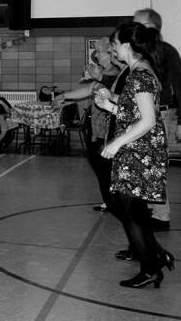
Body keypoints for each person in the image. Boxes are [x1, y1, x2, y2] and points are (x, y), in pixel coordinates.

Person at [95, 22, 173, 288]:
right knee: (134, 211)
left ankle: (151, 267)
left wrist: (116, 144)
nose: (113, 48)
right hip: (138, 150)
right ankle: (157, 257)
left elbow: (148, 120)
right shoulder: (137, 71)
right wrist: (110, 106)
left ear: (126, 46)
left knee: (129, 211)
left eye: (115, 44)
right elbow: (135, 115)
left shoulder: (140, 75)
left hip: (140, 152)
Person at [54, 37, 121, 211]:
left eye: (99, 51)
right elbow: (90, 90)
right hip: (97, 128)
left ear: (110, 53)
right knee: (99, 166)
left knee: (105, 167)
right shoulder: (102, 73)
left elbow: (109, 91)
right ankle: (109, 201)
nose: (96, 55)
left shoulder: (116, 73)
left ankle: (114, 202)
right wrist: (66, 97)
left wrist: (98, 77)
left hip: (109, 129)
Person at [133, 8, 180, 231]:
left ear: (150, 25)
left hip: (164, 112)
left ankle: (161, 216)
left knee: (155, 165)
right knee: (150, 165)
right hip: (154, 112)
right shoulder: (147, 51)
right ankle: (156, 212)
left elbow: (178, 86)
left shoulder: (165, 51)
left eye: (137, 23)